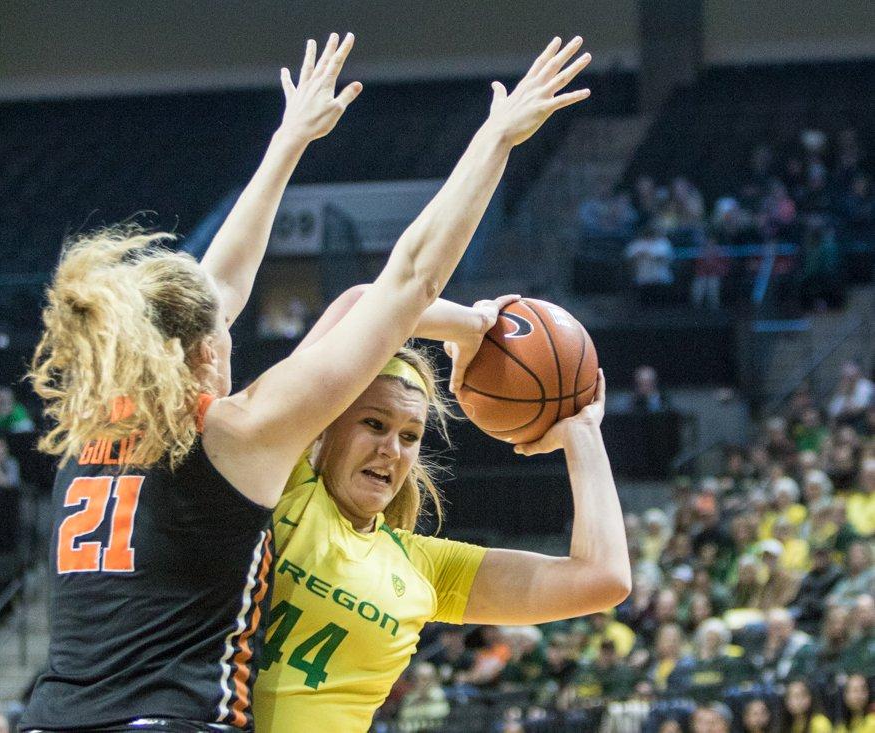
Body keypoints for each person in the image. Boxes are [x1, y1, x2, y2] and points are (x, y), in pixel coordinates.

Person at [22, 31, 589, 732]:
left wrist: (288, 143)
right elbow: (409, 279)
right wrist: (497, 140)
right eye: (222, 330)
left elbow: (213, 291)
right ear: (203, 353)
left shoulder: (93, 427)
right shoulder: (239, 435)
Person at [253, 46, 625, 732]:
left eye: (410, 435)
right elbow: (363, 303)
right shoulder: (277, 486)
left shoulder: (423, 565)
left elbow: (602, 578)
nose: (392, 449)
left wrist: (580, 431)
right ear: (328, 424)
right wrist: (473, 329)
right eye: (373, 424)